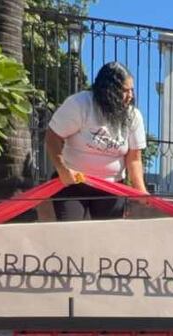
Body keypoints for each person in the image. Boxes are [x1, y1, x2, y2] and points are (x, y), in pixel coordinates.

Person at [46, 62, 147, 220]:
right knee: (72, 234)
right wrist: (62, 169)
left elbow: (134, 158)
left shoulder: (133, 116)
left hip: (111, 187)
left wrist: (140, 190)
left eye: (132, 90)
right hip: (74, 183)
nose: (131, 96)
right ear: (109, 90)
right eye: (125, 91)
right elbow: (53, 137)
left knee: (107, 239)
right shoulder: (79, 104)